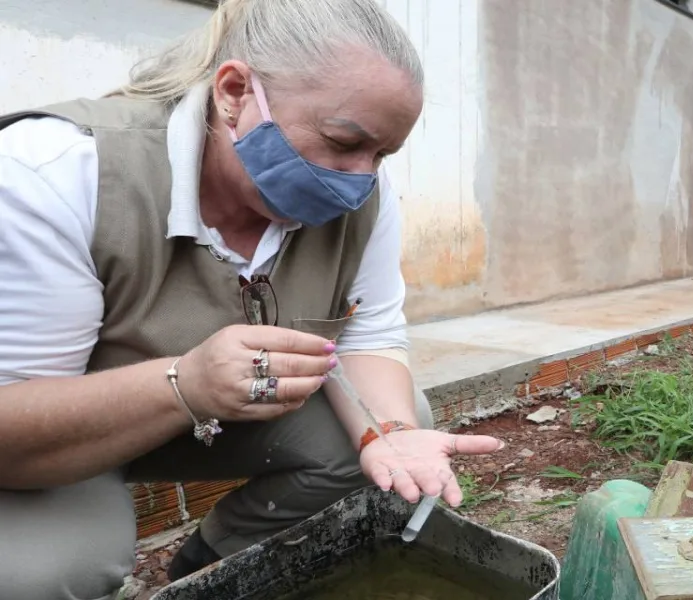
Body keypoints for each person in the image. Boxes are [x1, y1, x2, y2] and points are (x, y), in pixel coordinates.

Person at [0, 1, 503, 598]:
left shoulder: (361, 194)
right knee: (44, 569)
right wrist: (185, 385)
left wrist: (390, 430)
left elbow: (369, 335)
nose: (359, 178)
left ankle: (213, 569)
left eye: (380, 155)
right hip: (55, 434)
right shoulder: (56, 173)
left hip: (209, 418)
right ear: (234, 92)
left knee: (384, 435)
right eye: (343, 140)